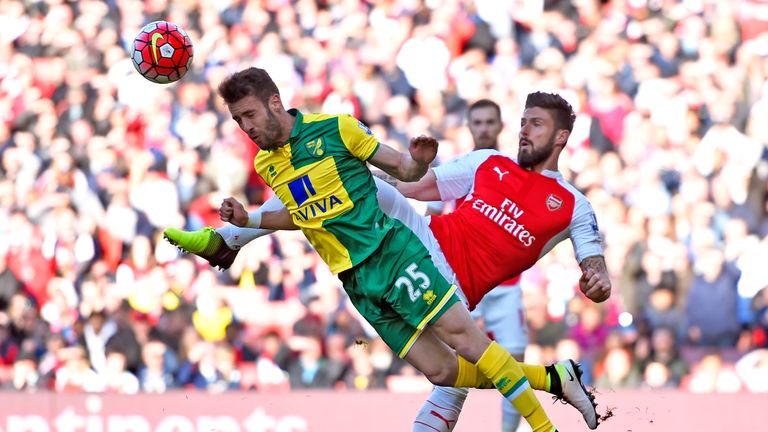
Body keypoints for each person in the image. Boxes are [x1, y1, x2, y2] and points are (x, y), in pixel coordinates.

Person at [166, 67, 587, 432]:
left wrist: (419, 162)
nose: (247, 127)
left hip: (392, 251)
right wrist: (251, 220)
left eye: (250, 115)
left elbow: (404, 170)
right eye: (239, 120)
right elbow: (304, 214)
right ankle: (552, 379)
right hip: (356, 280)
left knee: (467, 340)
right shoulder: (266, 164)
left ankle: (543, 426)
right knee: (443, 372)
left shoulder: (336, 128)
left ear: (276, 102)